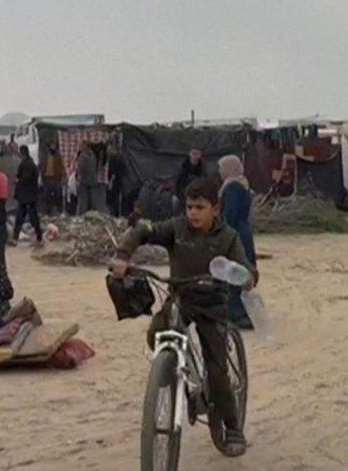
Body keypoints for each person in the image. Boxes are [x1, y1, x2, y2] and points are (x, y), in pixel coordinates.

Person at [112, 178, 255, 457]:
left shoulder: (228, 237)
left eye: (200, 207)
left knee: (217, 372)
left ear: (215, 209)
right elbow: (143, 230)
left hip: (212, 305)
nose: (193, 213)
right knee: (156, 333)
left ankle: (232, 426)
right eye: (189, 206)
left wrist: (247, 277)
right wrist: (122, 255)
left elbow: (246, 268)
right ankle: (170, 371)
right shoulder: (176, 228)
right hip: (180, 298)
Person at [218, 155, 257, 329]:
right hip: (242, 230)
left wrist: (225, 235)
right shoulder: (239, 184)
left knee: (236, 270)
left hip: (236, 233)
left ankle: (238, 313)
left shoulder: (233, 187)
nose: (219, 172)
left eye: (222, 168)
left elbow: (231, 214)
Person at [11, 145, 42, 247]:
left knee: (31, 218)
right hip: (27, 196)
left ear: (22, 153)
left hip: (27, 196)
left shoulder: (27, 164)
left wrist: (18, 180)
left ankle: (38, 237)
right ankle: (15, 238)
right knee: (21, 217)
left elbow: (26, 178)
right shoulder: (30, 163)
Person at [76, 142, 108, 215]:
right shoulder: (93, 155)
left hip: (86, 182)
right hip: (93, 182)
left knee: (84, 204)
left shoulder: (84, 156)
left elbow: (81, 169)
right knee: (96, 203)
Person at [40, 143, 65, 215]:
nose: (53, 148)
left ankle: (58, 210)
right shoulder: (45, 156)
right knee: (46, 196)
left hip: (56, 179)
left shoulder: (59, 156)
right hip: (47, 179)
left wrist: (63, 176)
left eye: (54, 147)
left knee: (58, 195)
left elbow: (62, 167)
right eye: (51, 147)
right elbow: (42, 167)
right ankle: (48, 211)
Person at [107, 145, 126, 217]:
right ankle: (116, 214)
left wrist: (110, 182)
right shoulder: (121, 158)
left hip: (115, 181)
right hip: (119, 181)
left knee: (113, 199)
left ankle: (114, 214)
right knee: (116, 198)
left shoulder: (115, 159)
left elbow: (113, 172)